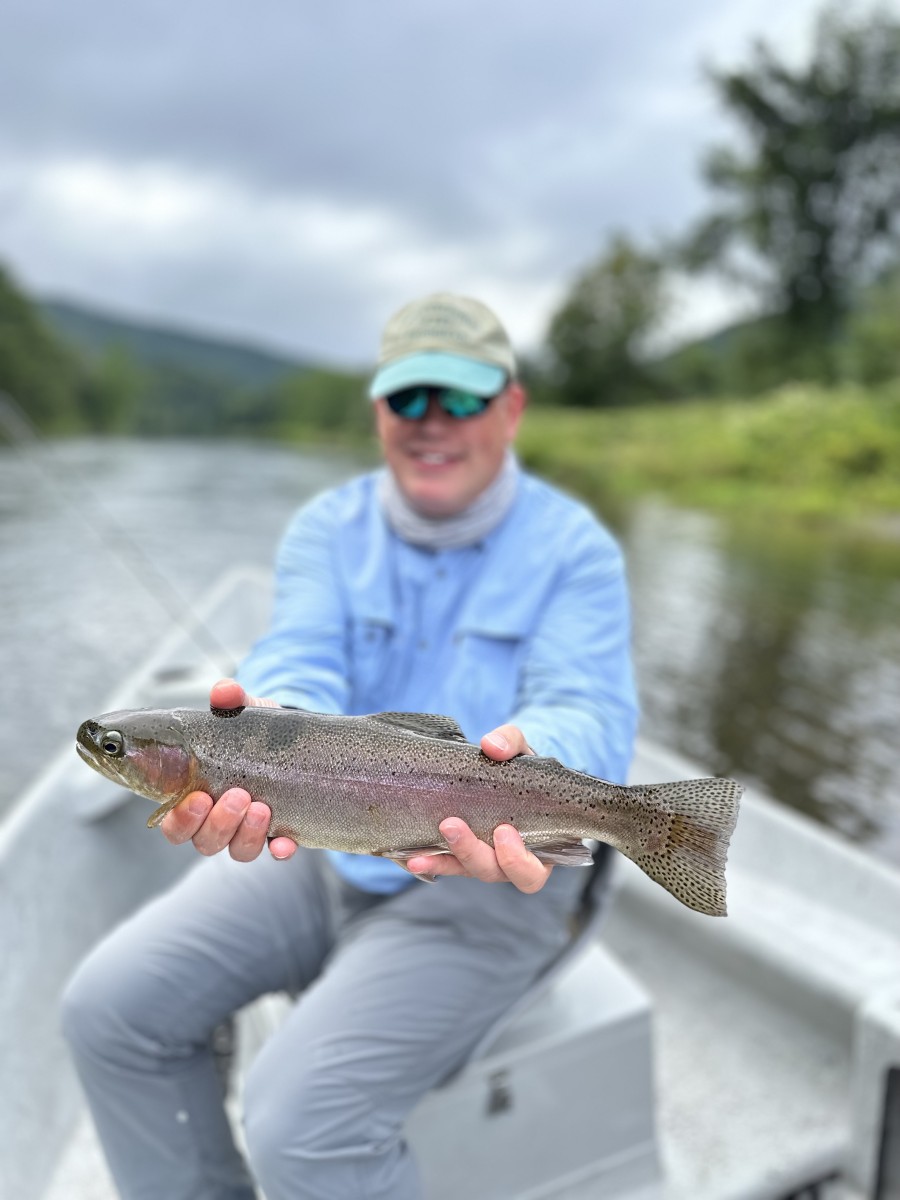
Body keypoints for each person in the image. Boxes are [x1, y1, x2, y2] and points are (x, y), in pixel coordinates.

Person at [62, 292, 639, 1200]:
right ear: (379, 411)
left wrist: (530, 764)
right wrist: (269, 712)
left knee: (297, 1124)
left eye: (463, 398)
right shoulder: (327, 529)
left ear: (512, 408)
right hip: (322, 843)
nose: (433, 423)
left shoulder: (576, 553)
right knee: (108, 1011)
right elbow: (297, 662)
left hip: (493, 877)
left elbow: (589, 709)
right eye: (409, 400)